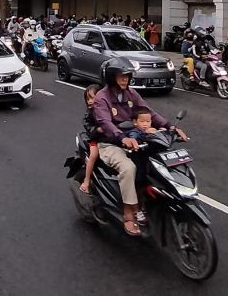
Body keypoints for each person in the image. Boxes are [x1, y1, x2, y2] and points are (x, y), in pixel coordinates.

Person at [93, 58, 187, 236]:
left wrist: (170, 127)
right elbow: (105, 122)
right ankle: (129, 214)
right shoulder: (102, 98)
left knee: (157, 160)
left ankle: (151, 200)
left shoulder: (131, 94)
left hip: (134, 138)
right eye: (121, 76)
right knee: (128, 168)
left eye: (127, 76)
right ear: (112, 77)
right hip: (110, 143)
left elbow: (148, 112)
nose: (125, 79)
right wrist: (121, 138)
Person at [78, 84, 103, 194]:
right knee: (93, 155)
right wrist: (97, 130)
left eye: (92, 98)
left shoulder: (107, 109)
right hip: (94, 139)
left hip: (109, 138)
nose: (90, 101)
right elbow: (88, 127)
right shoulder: (89, 114)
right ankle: (87, 181)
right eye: (88, 98)